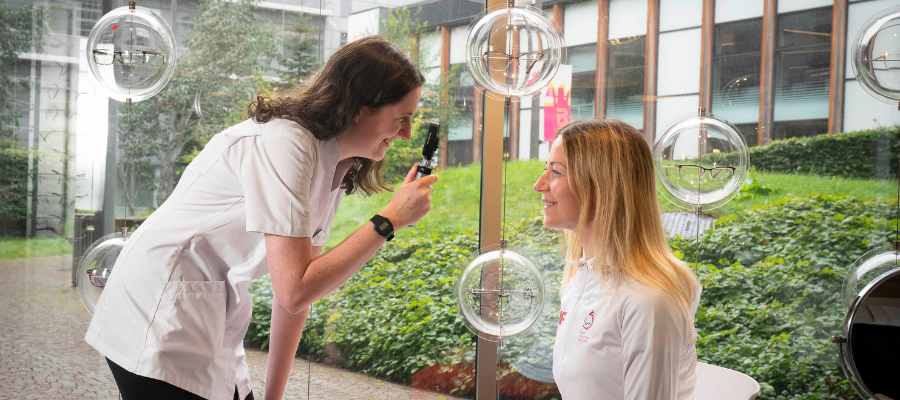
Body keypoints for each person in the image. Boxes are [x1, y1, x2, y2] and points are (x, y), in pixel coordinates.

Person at [85, 36, 438, 400]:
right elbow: (295, 287)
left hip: (204, 308)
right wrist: (388, 221)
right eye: (402, 118)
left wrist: (273, 396)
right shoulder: (287, 143)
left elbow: (295, 298)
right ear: (360, 108)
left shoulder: (334, 164)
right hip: (157, 306)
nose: (408, 133)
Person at [533, 119, 701, 400]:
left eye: (556, 172)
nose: (540, 184)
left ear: (601, 187)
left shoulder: (649, 299)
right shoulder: (580, 276)